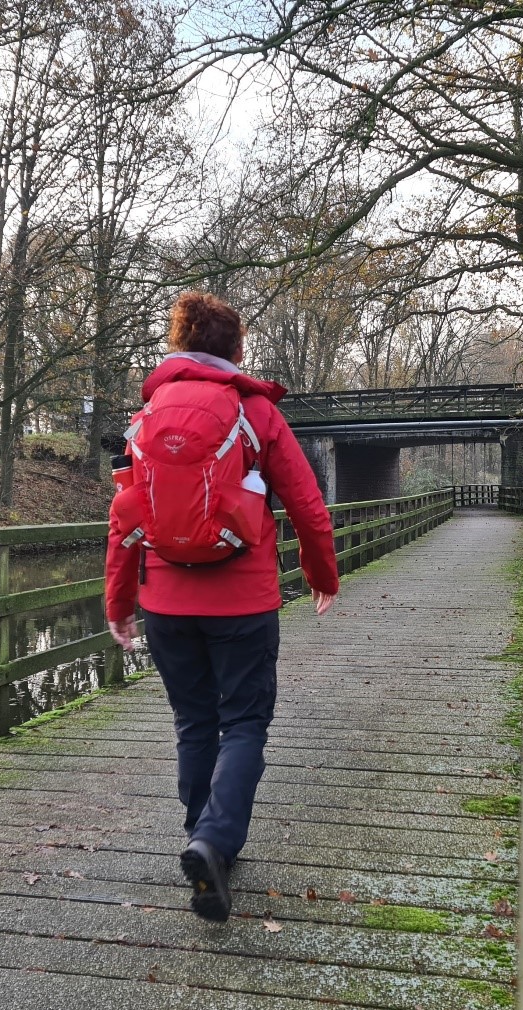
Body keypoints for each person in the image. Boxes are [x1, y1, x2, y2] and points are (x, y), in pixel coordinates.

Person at [104, 291, 339, 922]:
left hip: (165, 602)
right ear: (237, 349)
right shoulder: (255, 411)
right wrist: (323, 575)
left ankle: (199, 837)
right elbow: (306, 504)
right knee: (244, 723)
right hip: (242, 603)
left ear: (179, 345)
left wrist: (120, 601)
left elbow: (124, 519)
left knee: (193, 722)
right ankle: (213, 840)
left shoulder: (147, 416)